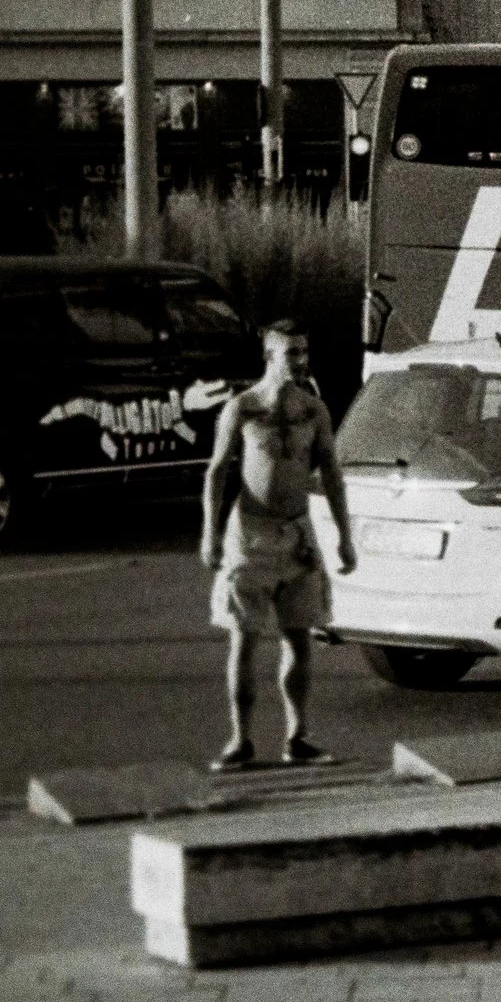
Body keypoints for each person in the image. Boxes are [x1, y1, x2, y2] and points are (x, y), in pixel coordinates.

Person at [201, 320, 356, 770]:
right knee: (244, 638)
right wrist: (210, 533)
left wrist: (344, 537)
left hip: (297, 534)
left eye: (304, 352)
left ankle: (298, 735)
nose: (301, 361)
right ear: (270, 356)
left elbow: (330, 472)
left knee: (299, 637)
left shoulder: (314, 410)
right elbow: (217, 471)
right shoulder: (243, 408)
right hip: (250, 533)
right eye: (292, 353)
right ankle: (241, 740)